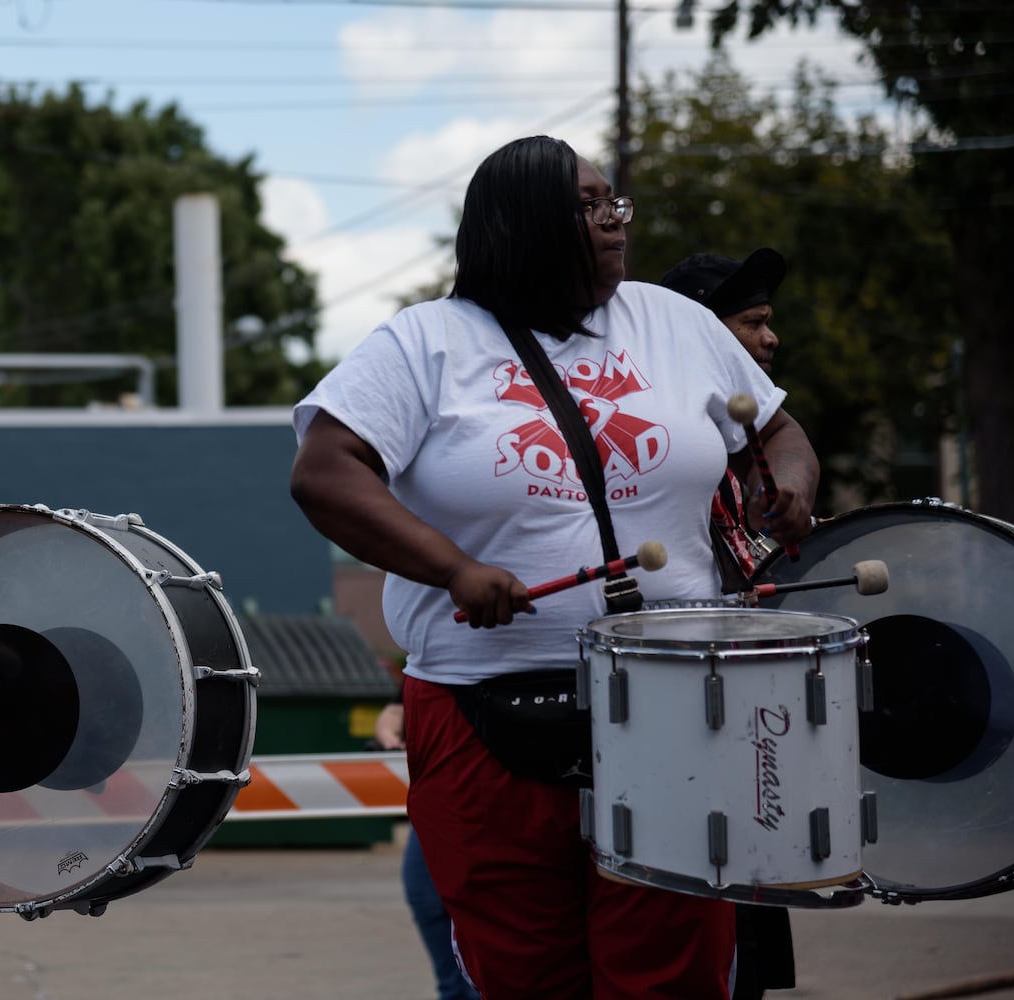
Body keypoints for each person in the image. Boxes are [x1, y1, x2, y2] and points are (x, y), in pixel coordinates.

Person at [289, 135, 817, 998]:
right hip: (481, 709)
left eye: (617, 203)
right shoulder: (423, 344)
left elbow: (776, 432)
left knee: (671, 967)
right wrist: (454, 568)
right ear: (524, 222)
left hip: (678, 696)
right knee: (523, 970)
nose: (616, 222)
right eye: (592, 204)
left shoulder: (672, 323)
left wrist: (787, 486)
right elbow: (325, 470)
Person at [662, 247, 799, 998]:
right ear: (703, 338)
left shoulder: (737, 458)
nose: (770, 339)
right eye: (753, 323)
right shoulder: (674, 453)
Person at [373, 698, 480, 1000]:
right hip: (439, 793)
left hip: (493, 788)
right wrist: (389, 735)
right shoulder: (431, 654)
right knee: (425, 896)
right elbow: (396, 708)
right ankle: (457, 990)